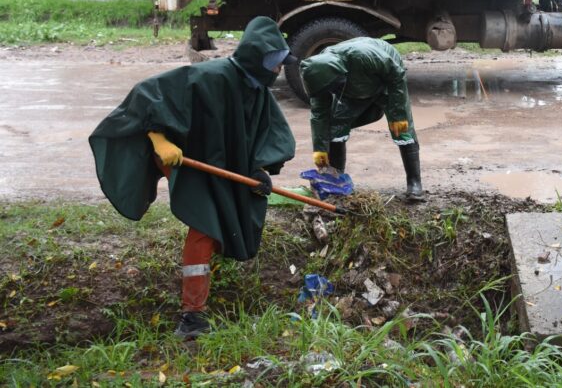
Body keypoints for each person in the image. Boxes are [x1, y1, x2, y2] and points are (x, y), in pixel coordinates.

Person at [89, 17, 297, 339]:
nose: (278, 71)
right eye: (275, 63)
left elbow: (268, 136)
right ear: (259, 58)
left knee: (226, 210)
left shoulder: (258, 92)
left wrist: (259, 171)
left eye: (280, 64)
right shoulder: (210, 76)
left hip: (216, 160)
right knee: (204, 225)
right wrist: (159, 139)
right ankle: (192, 317)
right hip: (181, 154)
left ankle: (209, 272)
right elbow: (148, 94)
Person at [299, 37, 423, 202]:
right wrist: (320, 148)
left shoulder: (363, 55)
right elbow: (319, 114)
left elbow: (396, 74)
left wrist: (399, 115)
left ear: (339, 74)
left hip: (387, 81)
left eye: (335, 87)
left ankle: (414, 183)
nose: (333, 92)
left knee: (401, 129)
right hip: (353, 89)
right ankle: (336, 180)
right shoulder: (318, 77)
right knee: (335, 126)